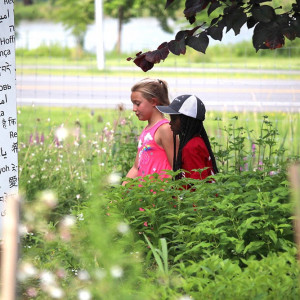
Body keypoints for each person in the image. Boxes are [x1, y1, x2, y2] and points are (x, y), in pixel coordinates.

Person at [123, 78, 174, 183]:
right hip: (147, 196)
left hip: (160, 196)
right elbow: (136, 168)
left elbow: (176, 168)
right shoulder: (147, 130)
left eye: (137, 103)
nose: (134, 108)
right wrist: (119, 195)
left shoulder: (165, 129)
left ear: (153, 101)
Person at [157, 94, 218, 181]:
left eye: (174, 119)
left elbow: (198, 184)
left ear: (186, 120)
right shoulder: (195, 142)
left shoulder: (192, 147)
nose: (170, 123)